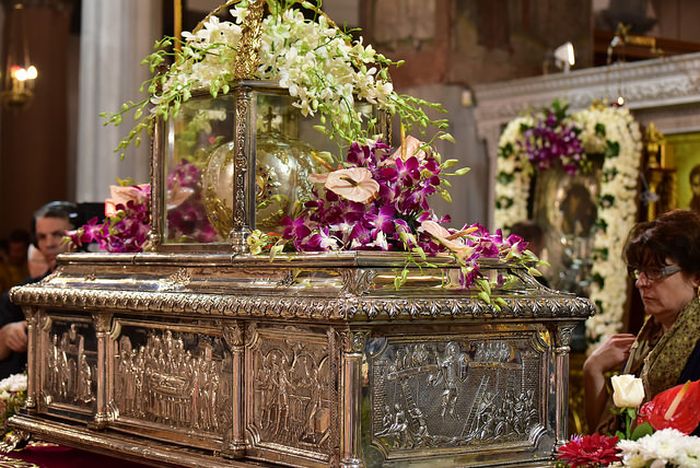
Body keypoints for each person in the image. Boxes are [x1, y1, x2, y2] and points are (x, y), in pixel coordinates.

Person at [583, 209, 700, 433]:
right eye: (639, 272)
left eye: (655, 271)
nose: (641, 283)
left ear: (695, 276)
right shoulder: (646, 340)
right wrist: (593, 369)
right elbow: (608, 434)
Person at [0, 201, 77, 378]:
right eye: (42, 237)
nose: (49, 244)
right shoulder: (20, 293)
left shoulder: (99, 290)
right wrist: (6, 334)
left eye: (58, 234)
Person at [0, 229, 30, 294]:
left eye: (18, 250)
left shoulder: (30, 266)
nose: (14, 254)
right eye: (12, 250)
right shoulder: (2, 269)